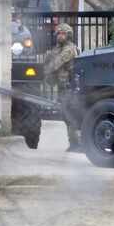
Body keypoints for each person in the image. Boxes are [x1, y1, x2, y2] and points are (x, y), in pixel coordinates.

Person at [44, 23, 81, 151]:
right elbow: (49, 61)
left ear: (68, 35)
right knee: (66, 116)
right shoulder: (57, 49)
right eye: (58, 33)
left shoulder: (69, 49)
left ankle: (78, 144)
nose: (60, 36)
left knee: (71, 115)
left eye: (63, 33)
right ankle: (74, 143)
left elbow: (55, 64)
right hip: (62, 87)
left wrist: (48, 67)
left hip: (70, 87)